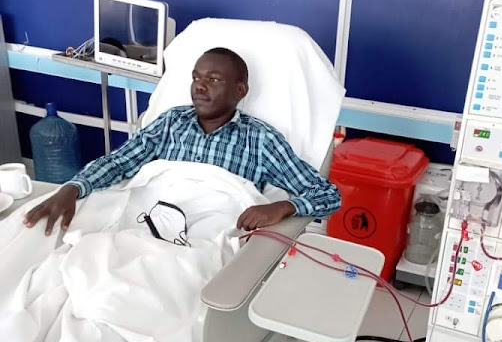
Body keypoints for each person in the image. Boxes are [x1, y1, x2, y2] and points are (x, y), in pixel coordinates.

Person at [24, 47, 341, 235]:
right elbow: (120, 161)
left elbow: (327, 195)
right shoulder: (171, 121)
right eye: (196, 77)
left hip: (203, 234)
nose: (200, 87)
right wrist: (72, 188)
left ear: (241, 91)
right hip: (146, 217)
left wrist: (283, 206)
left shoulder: (260, 139)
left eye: (213, 80)